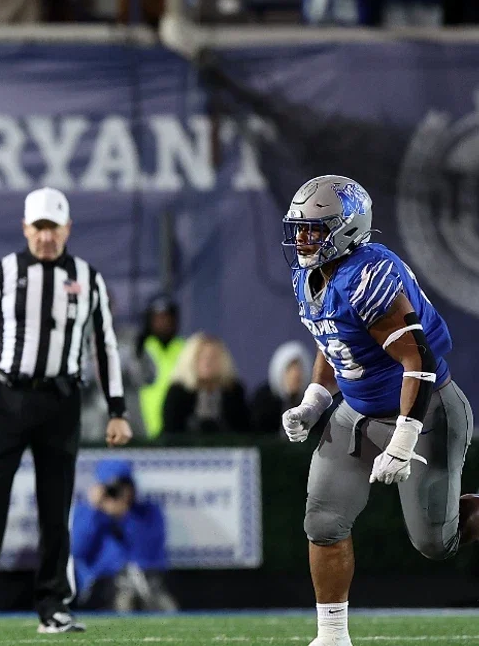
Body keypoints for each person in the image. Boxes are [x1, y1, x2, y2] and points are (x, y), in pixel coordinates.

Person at [278, 174, 479, 646]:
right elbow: (332, 340)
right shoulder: (309, 276)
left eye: (315, 228)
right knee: (323, 520)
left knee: (435, 543)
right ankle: (332, 637)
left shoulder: (370, 277)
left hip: (426, 409)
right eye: (300, 228)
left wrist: (404, 439)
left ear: (346, 229)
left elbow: (419, 360)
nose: (303, 239)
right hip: (360, 411)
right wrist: (315, 399)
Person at [0, 187, 133, 636]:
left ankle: (54, 607)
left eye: (53, 228)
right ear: (26, 228)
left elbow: (105, 346)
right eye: (39, 227)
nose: (46, 236)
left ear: (67, 229)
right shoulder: (1, 274)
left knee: (55, 506)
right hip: (5, 397)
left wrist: (118, 409)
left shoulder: (88, 278)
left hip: (61, 400)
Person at [71, 459, 174, 613]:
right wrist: (95, 511)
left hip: (144, 581)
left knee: (146, 589)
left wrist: (124, 516)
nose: (115, 493)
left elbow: (148, 551)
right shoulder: (86, 513)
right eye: (109, 488)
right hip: (102, 584)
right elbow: (78, 550)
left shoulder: (147, 513)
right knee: (122, 595)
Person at [161, 333, 250, 435]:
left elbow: (245, 432)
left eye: (213, 357)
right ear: (190, 360)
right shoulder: (178, 393)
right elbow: (171, 433)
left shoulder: (234, 392)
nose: (208, 362)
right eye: (202, 357)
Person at [135, 294, 184, 439]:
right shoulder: (139, 350)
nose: (163, 323)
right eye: (158, 318)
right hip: (142, 427)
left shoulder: (185, 348)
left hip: (176, 429)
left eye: (167, 318)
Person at [252, 341, 313, 435]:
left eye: (299, 369)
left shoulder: (313, 405)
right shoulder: (264, 401)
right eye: (290, 369)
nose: (295, 375)